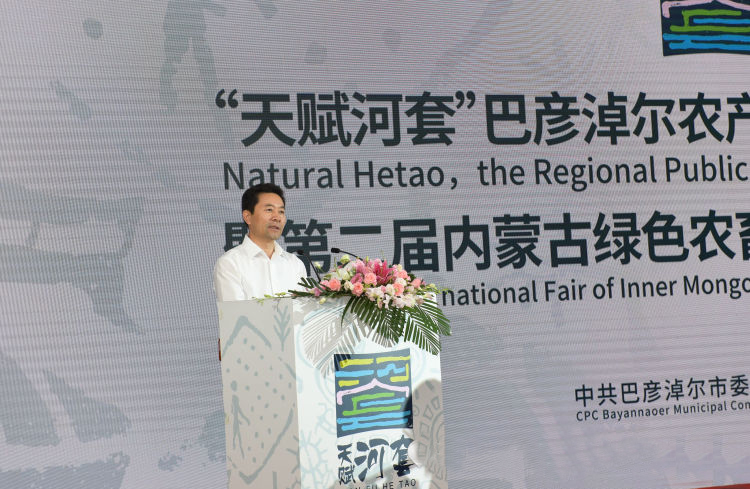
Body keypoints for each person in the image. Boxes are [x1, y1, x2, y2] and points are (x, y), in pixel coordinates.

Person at [213, 183, 307, 301]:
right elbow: (234, 312)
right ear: (247, 217)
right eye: (269, 210)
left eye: (281, 211)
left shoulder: (295, 264)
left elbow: (305, 309)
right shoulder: (230, 263)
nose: (277, 217)